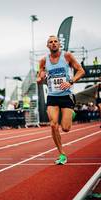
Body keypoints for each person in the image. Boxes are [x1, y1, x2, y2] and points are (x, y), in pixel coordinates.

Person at [37, 35, 85, 165]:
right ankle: (62, 154)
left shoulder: (67, 56)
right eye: (50, 42)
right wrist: (40, 79)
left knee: (66, 128)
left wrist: (71, 81)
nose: (53, 43)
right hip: (52, 96)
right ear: (47, 46)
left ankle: (71, 114)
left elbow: (81, 71)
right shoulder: (43, 61)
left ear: (59, 44)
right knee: (53, 125)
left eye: (55, 41)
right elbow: (39, 80)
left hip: (66, 95)